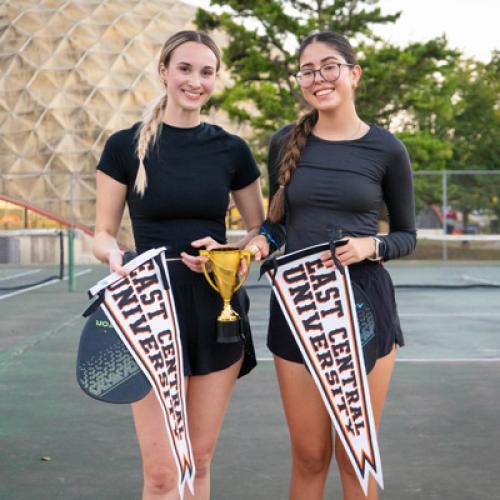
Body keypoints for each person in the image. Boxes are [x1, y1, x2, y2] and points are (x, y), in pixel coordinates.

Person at [93, 30, 265, 500]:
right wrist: (113, 255)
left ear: (215, 80)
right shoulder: (124, 146)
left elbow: (260, 231)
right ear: (164, 72)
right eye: (185, 69)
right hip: (149, 307)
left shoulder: (231, 150)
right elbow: (103, 233)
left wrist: (229, 255)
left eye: (206, 72)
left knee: (198, 462)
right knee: (163, 475)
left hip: (216, 309)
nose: (195, 80)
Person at [247, 31, 416, 500]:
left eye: (329, 66)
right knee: (308, 457)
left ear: (353, 74)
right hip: (298, 307)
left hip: (365, 307)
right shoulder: (285, 142)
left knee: (354, 455)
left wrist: (370, 247)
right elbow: (278, 226)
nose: (318, 77)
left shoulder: (387, 150)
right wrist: (261, 244)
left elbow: (407, 236)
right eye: (307, 70)